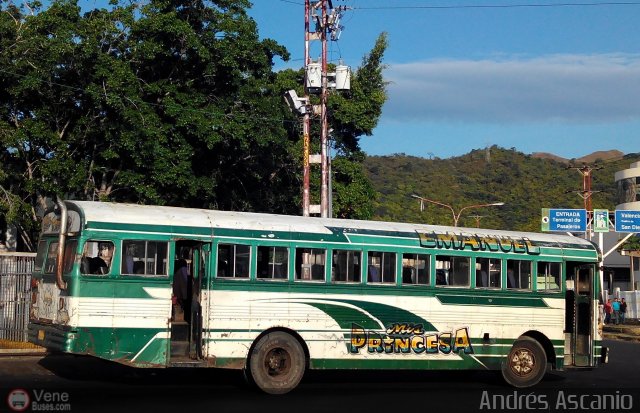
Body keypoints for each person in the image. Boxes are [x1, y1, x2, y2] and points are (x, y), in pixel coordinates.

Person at [172, 253, 192, 322]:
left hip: (177, 295)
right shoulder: (183, 270)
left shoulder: (175, 273)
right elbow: (184, 283)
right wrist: (185, 297)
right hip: (182, 296)